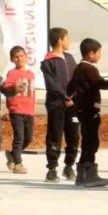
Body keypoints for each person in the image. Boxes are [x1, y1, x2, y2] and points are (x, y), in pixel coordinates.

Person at [66, 38, 108, 187]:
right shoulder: (89, 68)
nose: (100, 55)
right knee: (92, 142)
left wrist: (68, 97)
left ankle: (81, 175)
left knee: (86, 139)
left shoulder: (78, 68)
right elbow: (98, 83)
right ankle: (90, 174)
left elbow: (70, 86)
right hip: (90, 109)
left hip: (81, 109)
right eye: (99, 52)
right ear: (91, 54)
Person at [42, 27, 79, 182]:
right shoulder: (48, 62)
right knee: (54, 135)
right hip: (56, 104)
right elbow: (52, 84)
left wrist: (75, 96)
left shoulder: (70, 58)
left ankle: (69, 166)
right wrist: (65, 96)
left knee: (74, 135)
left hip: (73, 105)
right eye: (67, 38)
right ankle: (52, 168)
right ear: (59, 40)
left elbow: (77, 78)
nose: (69, 41)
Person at [2, 46, 35, 174]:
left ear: (26, 57)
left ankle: (12, 155)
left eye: (21, 56)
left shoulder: (31, 74)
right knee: (19, 137)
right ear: (12, 59)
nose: (19, 59)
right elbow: (6, 88)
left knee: (28, 138)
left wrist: (32, 108)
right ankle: (18, 163)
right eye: (16, 57)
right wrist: (15, 87)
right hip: (16, 110)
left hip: (29, 111)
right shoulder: (12, 73)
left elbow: (32, 93)